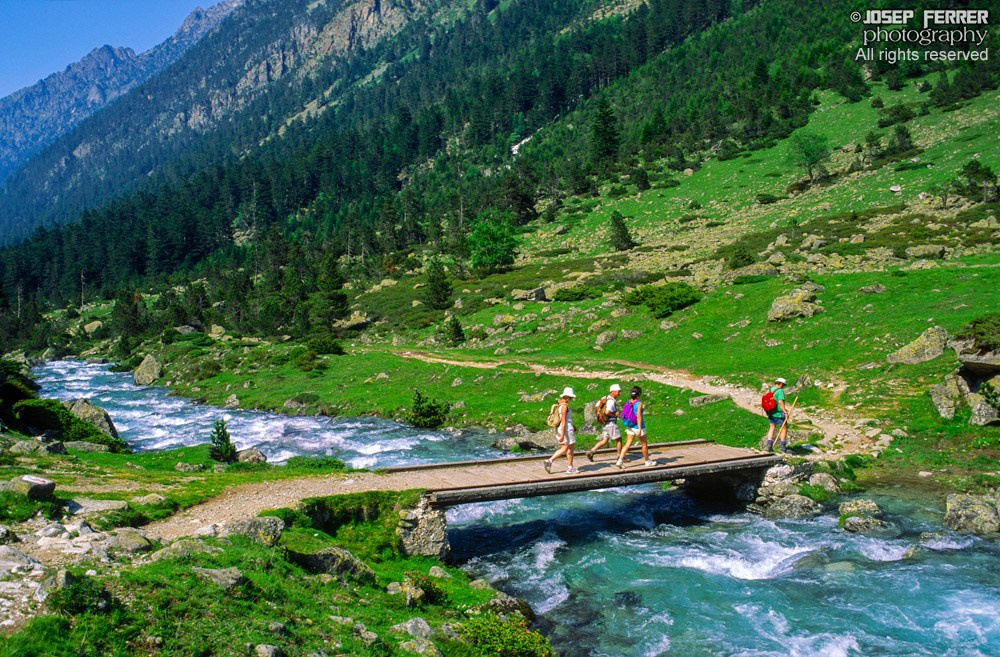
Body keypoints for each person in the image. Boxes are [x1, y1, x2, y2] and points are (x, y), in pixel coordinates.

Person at [616, 386, 654, 468]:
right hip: (637, 426)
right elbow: (639, 416)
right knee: (644, 444)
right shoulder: (639, 403)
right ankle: (647, 461)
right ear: (639, 394)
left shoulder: (628, 402)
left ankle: (620, 460)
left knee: (628, 444)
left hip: (630, 425)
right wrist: (640, 429)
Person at [544, 387, 578, 474]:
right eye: (570, 397)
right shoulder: (565, 406)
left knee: (565, 447)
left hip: (563, 428)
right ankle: (551, 461)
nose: (571, 399)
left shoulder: (559, 405)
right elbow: (563, 420)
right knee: (568, 448)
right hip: (566, 429)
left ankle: (569, 466)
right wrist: (562, 434)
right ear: (566, 397)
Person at [586, 384, 622, 462]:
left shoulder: (604, 398)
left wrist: (600, 414)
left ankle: (591, 451)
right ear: (613, 391)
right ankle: (620, 457)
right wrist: (615, 414)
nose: (620, 393)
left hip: (604, 423)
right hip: (611, 423)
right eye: (618, 391)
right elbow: (607, 412)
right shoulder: (611, 401)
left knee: (605, 440)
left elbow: (596, 405)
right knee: (619, 440)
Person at [765, 377, 790, 453]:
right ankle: (782, 446)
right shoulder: (780, 391)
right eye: (784, 385)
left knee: (772, 426)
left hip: (770, 412)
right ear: (781, 384)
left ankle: (769, 444)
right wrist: (785, 412)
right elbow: (780, 402)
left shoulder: (770, 390)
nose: (783, 386)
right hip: (778, 413)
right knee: (784, 428)